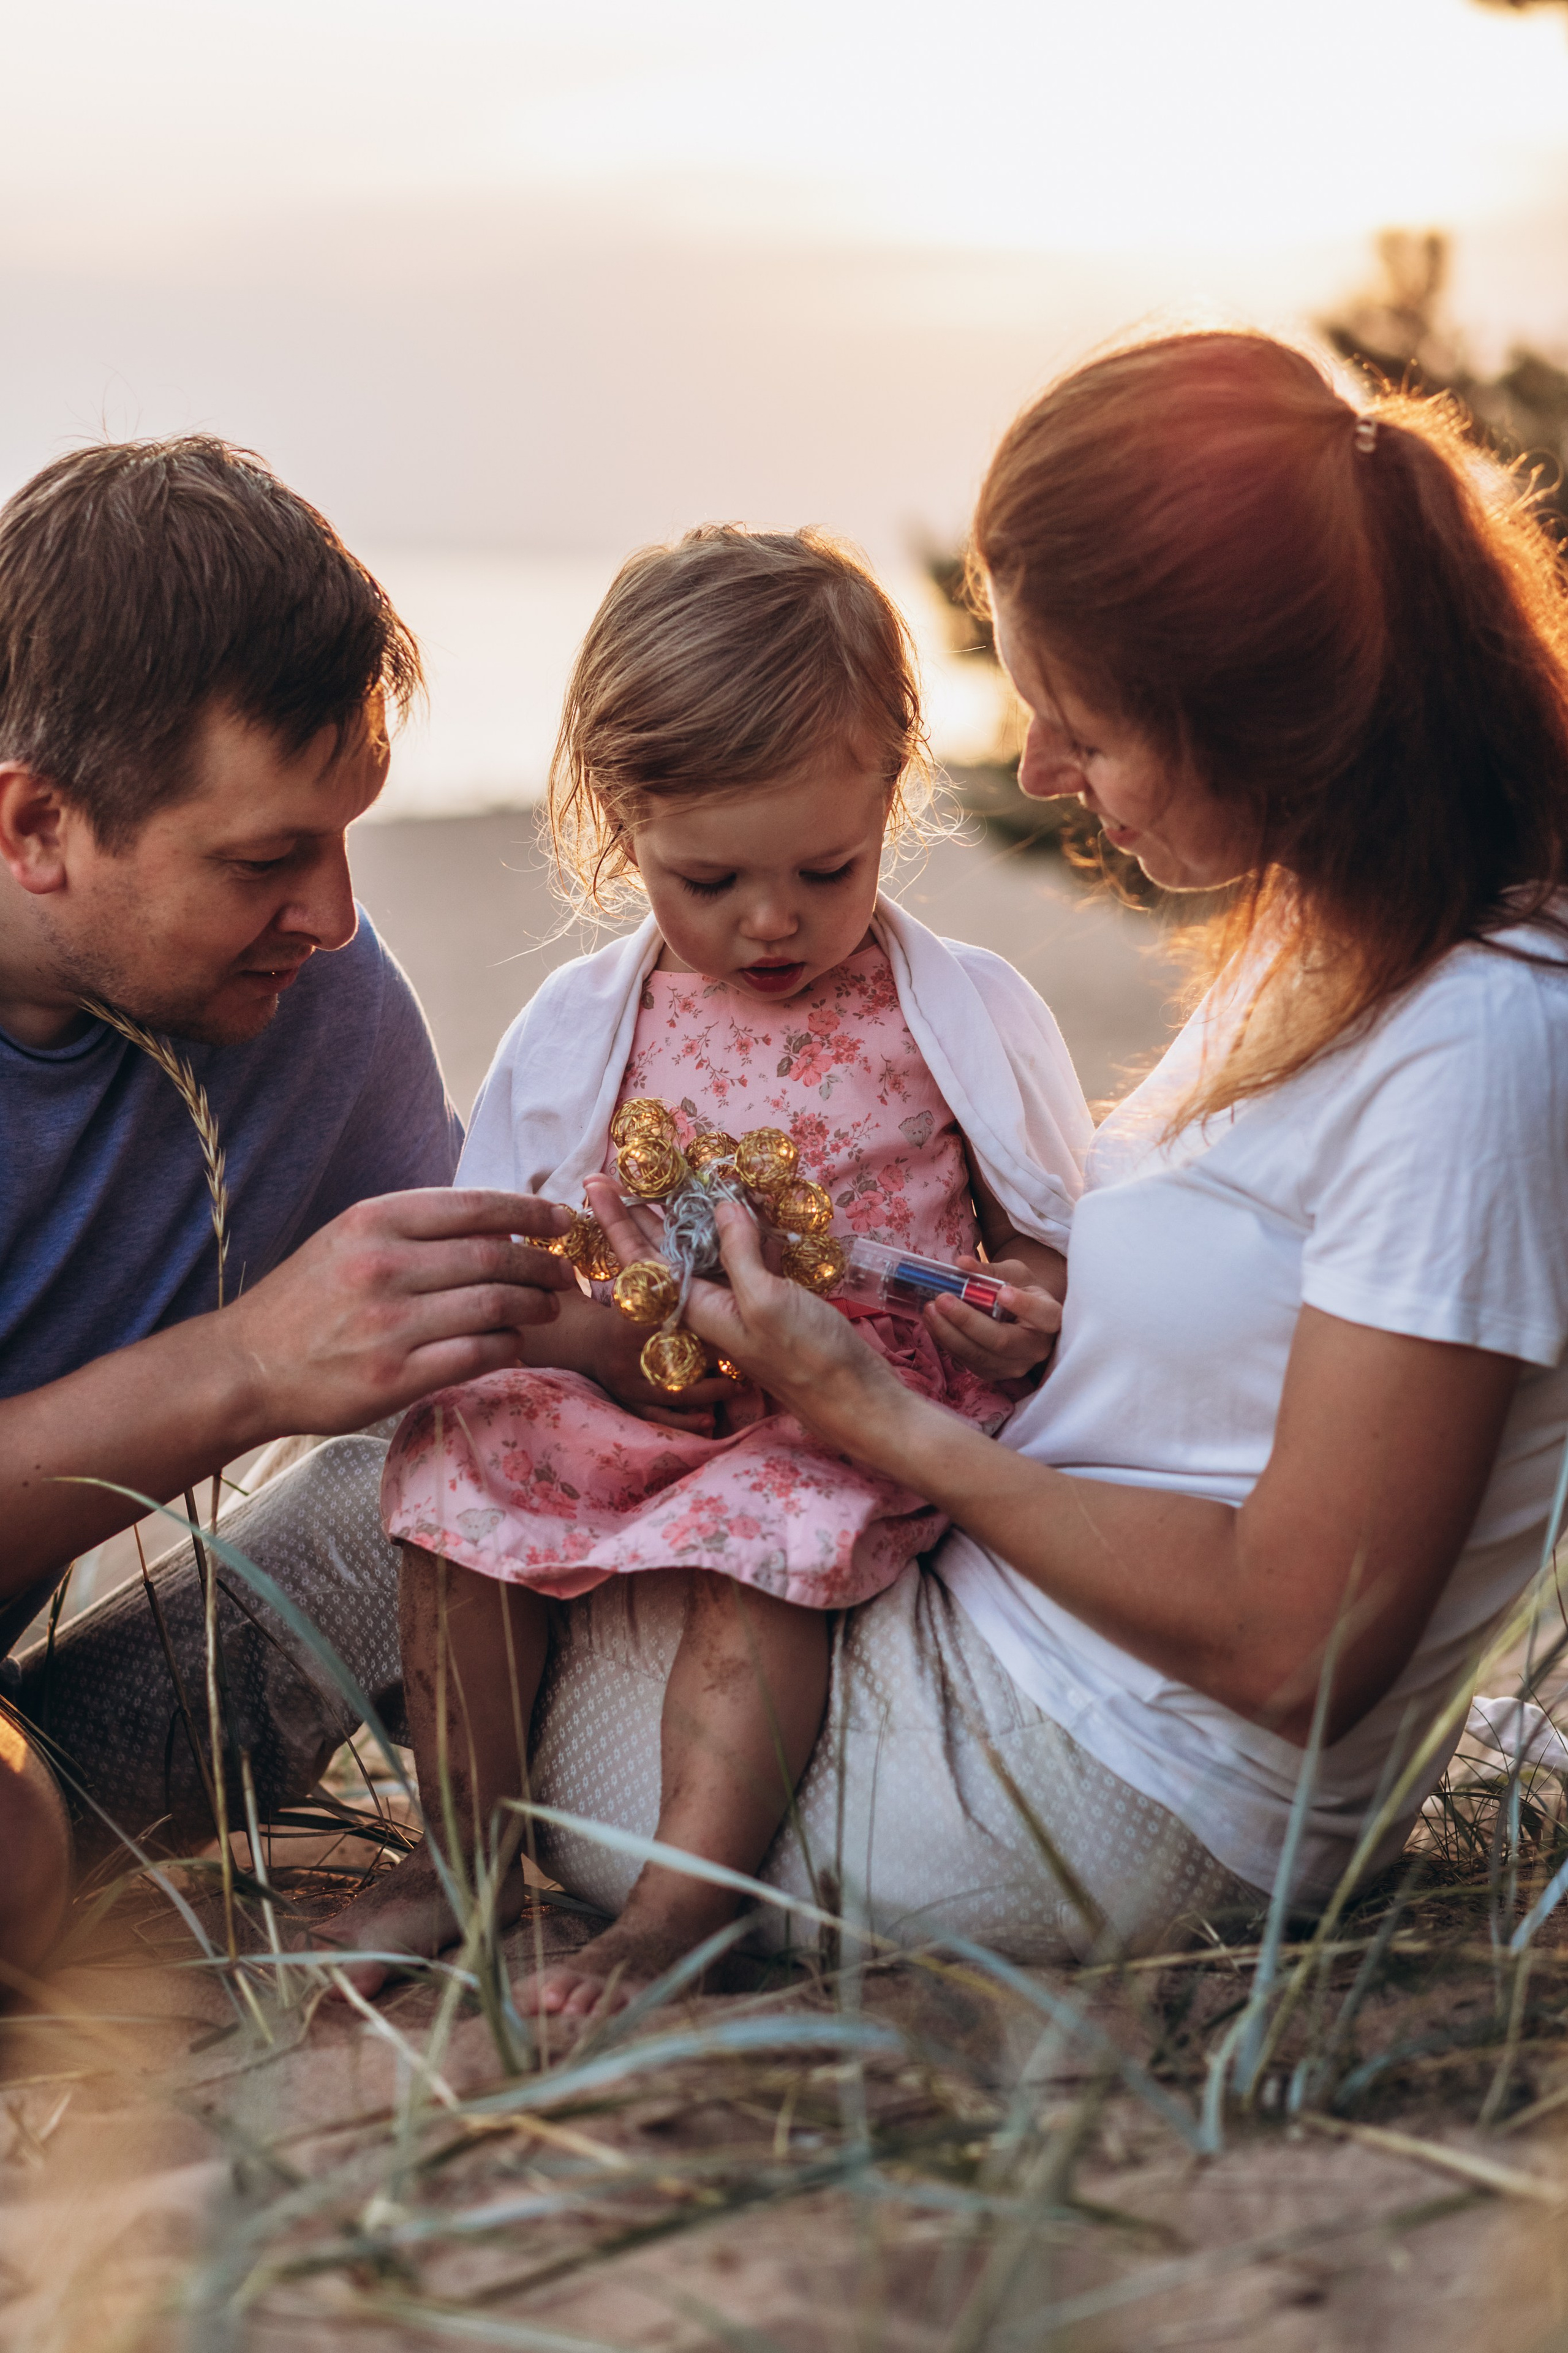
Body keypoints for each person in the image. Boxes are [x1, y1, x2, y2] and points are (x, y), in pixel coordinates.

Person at [317, 526, 1090, 2003]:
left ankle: (678, 1906)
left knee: (765, 1539)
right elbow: (521, 1262)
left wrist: (1021, 1309)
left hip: (844, 1406)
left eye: (825, 868)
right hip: (638, 1381)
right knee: (457, 1458)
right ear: (622, 823)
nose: (771, 919)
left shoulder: (955, 1013)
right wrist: (599, 1345)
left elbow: (1040, 1241)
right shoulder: (583, 1026)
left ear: (892, 790)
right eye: (710, 877)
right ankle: (457, 1854)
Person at [0, 437, 576, 1976]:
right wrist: (245, 1368)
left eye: (343, 835)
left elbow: (499, 1343)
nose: (330, 913)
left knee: (426, 1490)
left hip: (31, 1734)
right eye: (265, 859)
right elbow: (261, 1362)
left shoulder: (318, 1000)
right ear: (37, 826)